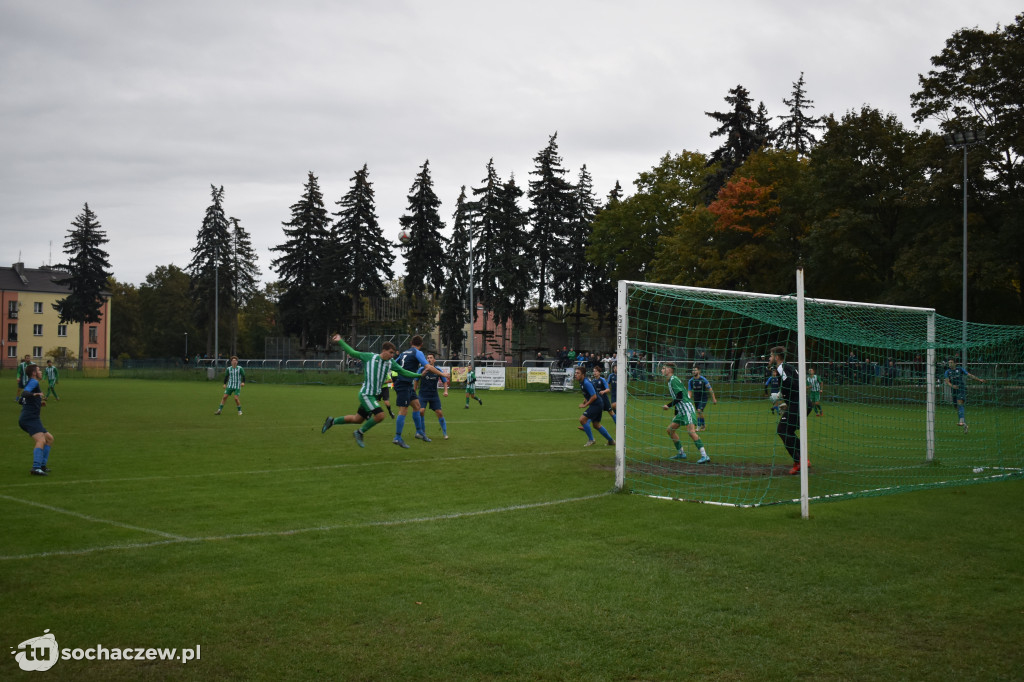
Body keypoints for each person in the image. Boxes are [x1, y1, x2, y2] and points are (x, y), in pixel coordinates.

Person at [322, 335, 422, 447]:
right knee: (380, 415)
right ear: (384, 351)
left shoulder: (390, 362)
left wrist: (418, 375)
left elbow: (404, 372)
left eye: (393, 353)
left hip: (373, 396)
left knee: (357, 419)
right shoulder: (370, 357)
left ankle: (332, 421)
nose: (392, 355)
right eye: (391, 352)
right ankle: (359, 432)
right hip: (366, 394)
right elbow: (352, 352)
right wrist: (340, 341)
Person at [393, 335, 447, 447]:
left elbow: (394, 364)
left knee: (417, 406)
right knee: (403, 410)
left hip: (407, 384)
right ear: (421, 345)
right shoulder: (417, 352)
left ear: (411, 342)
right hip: (403, 384)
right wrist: (442, 374)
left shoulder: (404, 353)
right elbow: (429, 367)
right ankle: (397, 437)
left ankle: (419, 432)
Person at [770, 345, 810, 475]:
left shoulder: (781, 368)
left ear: (776, 357)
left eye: (771, 356)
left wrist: (785, 397)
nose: (769, 358)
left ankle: (798, 461)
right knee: (789, 430)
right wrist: (786, 400)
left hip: (799, 403)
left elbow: (792, 384)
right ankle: (804, 459)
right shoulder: (789, 367)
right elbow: (793, 384)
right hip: (802, 402)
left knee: (782, 430)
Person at [661, 363, 709, 463]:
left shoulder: (673, 380)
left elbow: (680, 396)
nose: (661, 370)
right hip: (681, 411)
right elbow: (677, 397)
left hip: (687, 409)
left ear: (669, 370)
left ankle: (705, 456)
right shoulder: (670, 380)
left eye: (663, 368)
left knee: (691, 432)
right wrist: (676, 412)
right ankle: (681, 453)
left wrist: (668, 406)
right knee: (670, 430)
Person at [18, 364, 54, 476]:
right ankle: (36, 467)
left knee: (49, 439)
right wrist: (36, 394)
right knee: (41, 440)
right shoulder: (34, 382)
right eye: (39, 370)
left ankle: (42, 465)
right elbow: (24, 393)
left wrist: (38, 402)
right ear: (34, 373)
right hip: (29, 418)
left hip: (31, 418)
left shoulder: (32, 382)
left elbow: (21, 400)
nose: (41, 372)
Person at [943, 358, 985, 433]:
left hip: (961, 388)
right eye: (949, 362)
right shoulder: (947, 372)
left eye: (951, 362)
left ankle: (961, 421)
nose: (949, 364)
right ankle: (965, 424)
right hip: (954, 390)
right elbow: (947, 382)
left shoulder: (960, 369)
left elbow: (969, 375)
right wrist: (952, 386)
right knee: (957, 407)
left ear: (955, 363)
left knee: (960, 403)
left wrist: (979, 379)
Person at [575, 366, 614, 447]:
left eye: (578, 373)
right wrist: (585, 399)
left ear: (583, 374)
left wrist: (585, 405)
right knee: (596, 425)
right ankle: (611, 441)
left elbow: (594, 396)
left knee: (582, 420)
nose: (576, 374)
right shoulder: (581, 382)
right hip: (598, 404)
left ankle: (591, 439)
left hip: (597, 404)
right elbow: (589, 394)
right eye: (575, 373)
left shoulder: (586, 383)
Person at [417, 353, 450, 439]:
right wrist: (414, 391)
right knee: (421, 411)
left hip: (433, 395)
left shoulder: (438, 369)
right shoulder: (421, 369)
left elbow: (444, 381)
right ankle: (422, 432)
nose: (429, 359)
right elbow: (416, 380)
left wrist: (445, 391)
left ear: (434, 360)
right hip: (423, 394)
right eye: (427, 358)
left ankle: (445, 433)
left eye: (431, 358)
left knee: (439, 413)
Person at [687, 366, 717, 431]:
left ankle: (698, 427)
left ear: (699, 371)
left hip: (703, 397)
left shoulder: (703, 379)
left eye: (695, 370)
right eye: (693, 370)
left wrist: (714, 398)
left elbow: (710, 389)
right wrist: (688, 399)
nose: (693, 371)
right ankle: (703, 425)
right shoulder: (691, 381)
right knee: (700, 412)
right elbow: (689, 391)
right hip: (696, 398)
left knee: (699, 410)